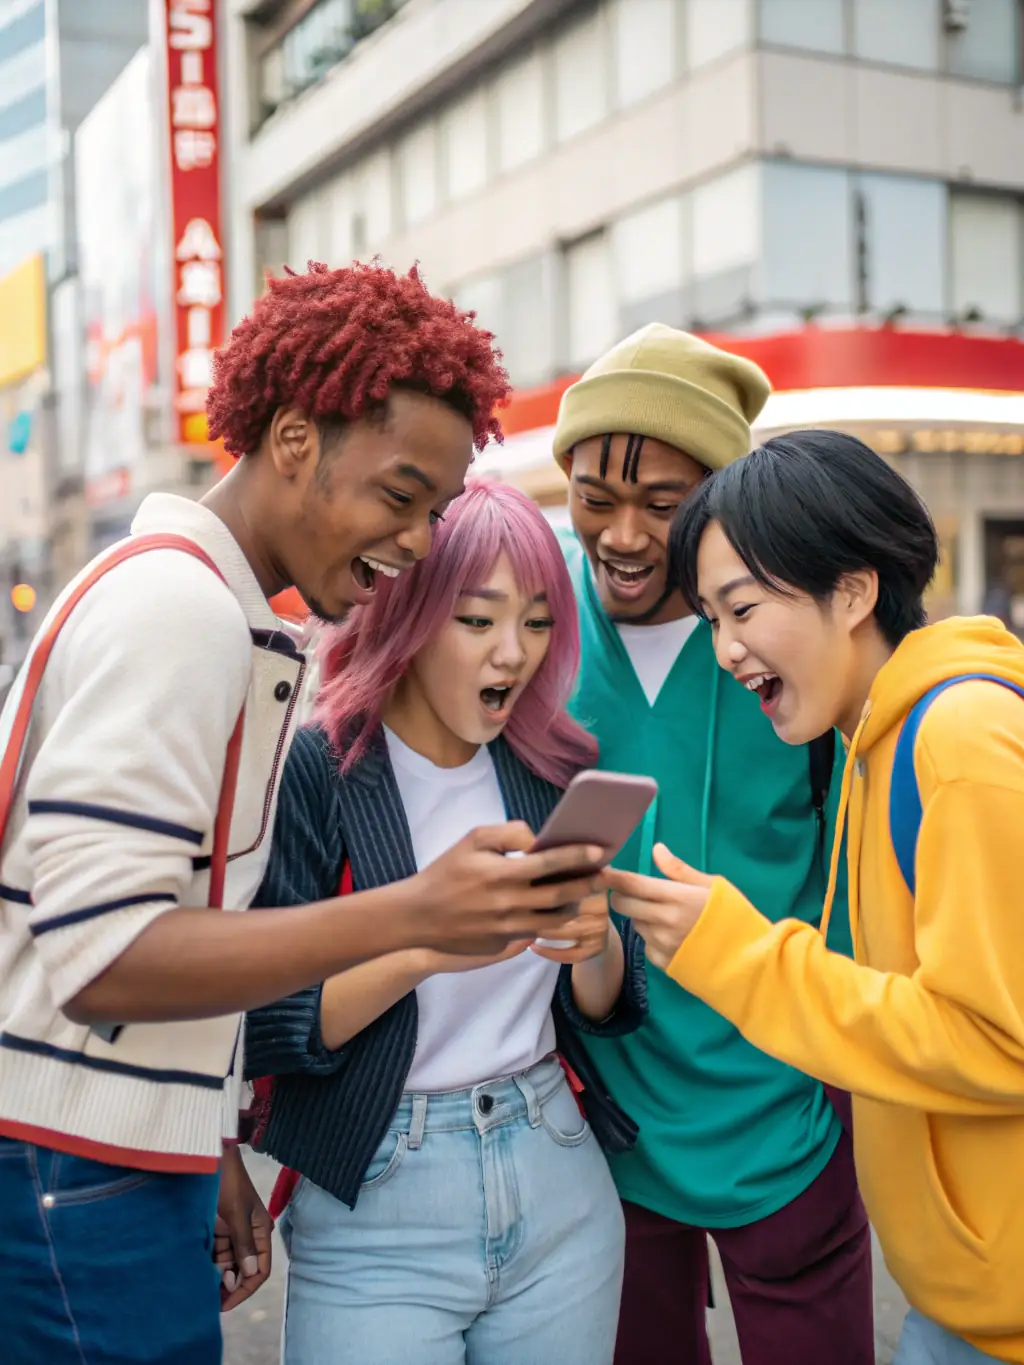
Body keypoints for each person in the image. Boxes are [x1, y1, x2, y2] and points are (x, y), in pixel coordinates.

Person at [0, 263, 605, 1365]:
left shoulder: (200, 602)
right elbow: (104, 957)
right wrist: (418, 915)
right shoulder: (178, 608)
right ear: (291, 441)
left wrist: (207, 1137)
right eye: (401, 494)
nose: (419, 539)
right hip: (66, 1167)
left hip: (106, 1159)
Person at [611, 428, 1024, 1365]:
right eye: (710, 618)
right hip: (966, 1307)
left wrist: (741, 957)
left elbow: (1003, 1040)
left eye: (744, 608)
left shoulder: (957, 741)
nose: (725, 650)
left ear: (853, 590)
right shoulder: (871, 742)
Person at [244, 479, 645, 1365]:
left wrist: (596, 944)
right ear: (412, 615)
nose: (514, 653)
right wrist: (426, 944)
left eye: (539, 621)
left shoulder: (551, 769)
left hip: (556, 1167)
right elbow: (266, 1022)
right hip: (376, 1190)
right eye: (478, 620)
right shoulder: (320, 766)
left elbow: (605, 1006)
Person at [551, 326, 874, 1365]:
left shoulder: (790, 627)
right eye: (595, 498)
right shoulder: (532, 608)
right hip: (601, 1114)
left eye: (665, 502)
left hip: (785, 1103)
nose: (625, 535)